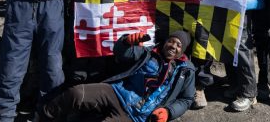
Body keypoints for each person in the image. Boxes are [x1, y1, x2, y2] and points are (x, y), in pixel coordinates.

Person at [38, 31, 196, 122]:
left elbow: (186, 100)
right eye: (171, 41)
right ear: (165, 42)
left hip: (137, 117)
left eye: (178, 45)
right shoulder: (149, 53)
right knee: (76, 93)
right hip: (117, 93)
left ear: (183, 52)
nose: (173, 46)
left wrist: (169, 112)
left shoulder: (186, 71)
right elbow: (122, 52)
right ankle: (42, 116)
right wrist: (126, 41)